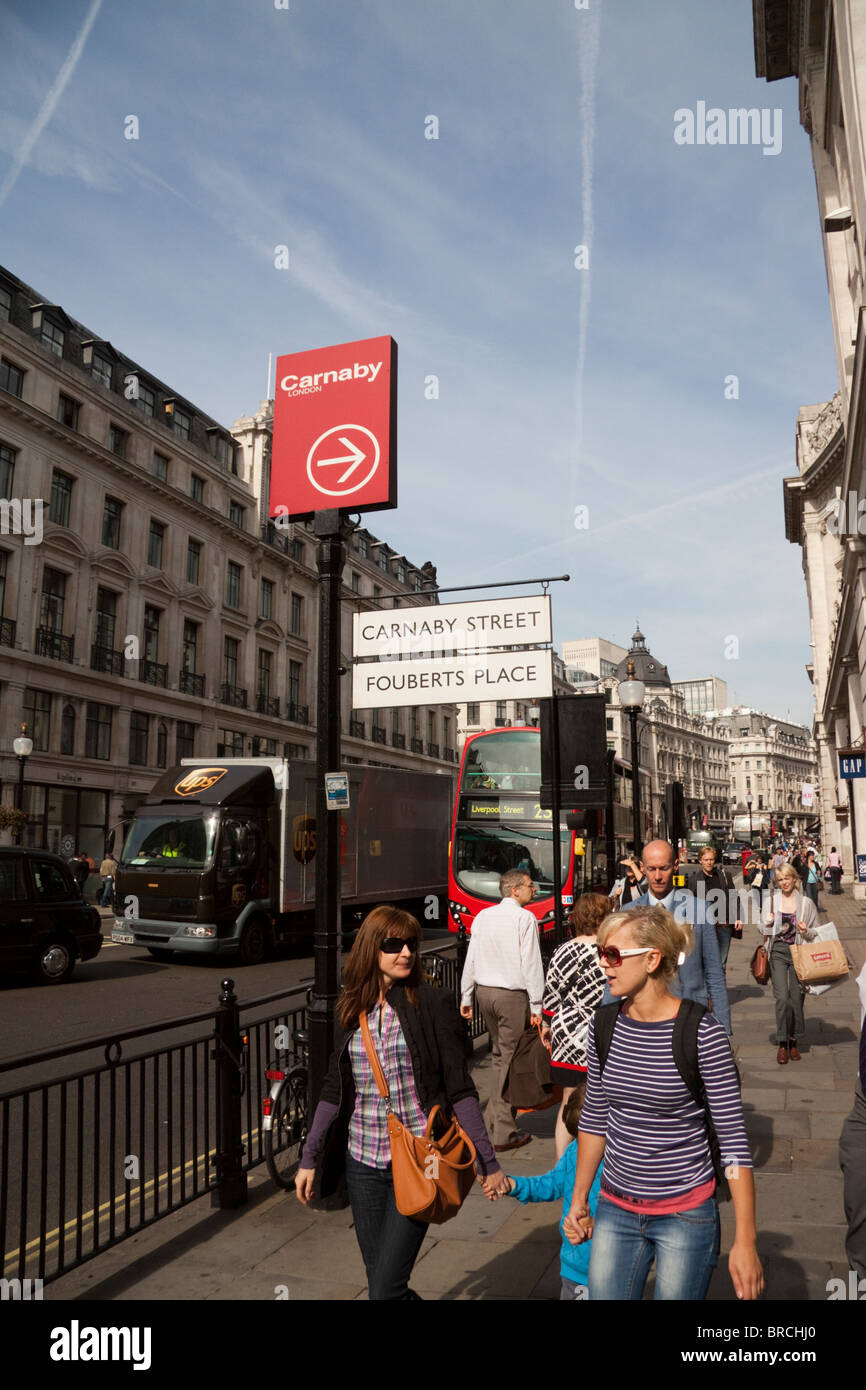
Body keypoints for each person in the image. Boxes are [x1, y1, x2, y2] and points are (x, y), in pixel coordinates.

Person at [294, 904, 507, 1299]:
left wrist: (487, 1161)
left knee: (386, 1289)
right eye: (394, 944)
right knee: (380, 1280)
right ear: (372, 949)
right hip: (362, 1163)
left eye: (411, 943)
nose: (406, 952)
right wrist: (309, 1158)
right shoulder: (350, 1008)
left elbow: (460, 1089)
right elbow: (331, 1091)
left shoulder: (432, 1004)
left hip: (419, 1161)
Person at [563, 905, 763, 1301]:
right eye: (602, 953)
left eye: (614, 955)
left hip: (685, 1215)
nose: (605, 965)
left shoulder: (702, 1033)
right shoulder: (602, 1026)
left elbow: (734, 1143)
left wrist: (746, 1240)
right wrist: (579, 1198)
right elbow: (595, 1118)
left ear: (653, 958)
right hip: (615, 1207)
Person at [459, 868, 545, 1150]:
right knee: (510, 1060)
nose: (535, 890)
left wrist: (467, 996)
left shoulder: (483, 916)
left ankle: (488, 1122)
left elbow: (472, 956)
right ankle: (502, 1132)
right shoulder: (525, 918)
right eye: (530, 886)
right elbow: (532, 963)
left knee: (500, 1056)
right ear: (514, 890)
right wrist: (537, 1004)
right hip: (512, 996)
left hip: (485, 994)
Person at [496, 1090, 603, 1300]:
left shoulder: (575, 1150)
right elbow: (550, 1184)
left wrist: (513, 1184)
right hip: (582, 1267)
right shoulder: (579, 1153)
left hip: (587, 1262)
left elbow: (548, 1185)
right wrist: (512, 1185)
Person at [617, 840, 731, 1035]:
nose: (658, 876)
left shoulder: (699, 909)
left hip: (691, 1015)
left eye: (664, 868)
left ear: (676, 865)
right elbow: (618, 973)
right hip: (644, 1021)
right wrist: (607, 1028)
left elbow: (714, 972)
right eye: (652, 869)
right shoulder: (629, 913)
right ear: (642, 868)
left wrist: (723, 1028)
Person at [541, 893, 609, 1158]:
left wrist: (547, 1024)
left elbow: (551, 993)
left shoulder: (562, 950)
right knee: (601, 1100)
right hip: (599, 1032)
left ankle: (561, 1160)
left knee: (569, 1100)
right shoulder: (609, 951)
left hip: (567, 1032)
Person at [763, 863, 819, 1065]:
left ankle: (794, 1040)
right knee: (781, 998)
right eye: (780, 879)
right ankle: (782, 1042)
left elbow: (816, 932)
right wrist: (767, 923)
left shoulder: (806, 903)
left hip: (799, 953)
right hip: (777, 952)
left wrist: (805, 931)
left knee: (796, 998)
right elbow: (762, 929)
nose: (784, 882)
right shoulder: (771, 902)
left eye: (787, 878)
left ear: (794, 879)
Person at [695, 845, 742, 973]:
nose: (709, 862)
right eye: (706, 860)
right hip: (705, 927)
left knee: (721, 963)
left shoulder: (724, 875)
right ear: (700, 861)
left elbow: (734, 897)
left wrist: (738, 917)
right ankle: (708, 991)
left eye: (711, 859)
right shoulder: (695, 880)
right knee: (705, 963)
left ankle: (717, 992)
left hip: (724, 925)